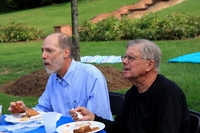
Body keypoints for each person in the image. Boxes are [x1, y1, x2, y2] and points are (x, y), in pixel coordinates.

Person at [70, 39, 191, 133]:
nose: (124, 61)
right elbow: (120, 128)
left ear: (149, 65)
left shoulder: (167, 94)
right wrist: (93, 118)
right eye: (125, 57)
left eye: (131, 58)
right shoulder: (133, 92)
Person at [8, 33, 113, 121]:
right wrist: (25, 110)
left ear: (66, 53)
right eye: (42, 50)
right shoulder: (53, 79)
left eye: (49, 50)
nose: (43, 56)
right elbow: (43, 110)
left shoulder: (91, 76)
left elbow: (97, 119)